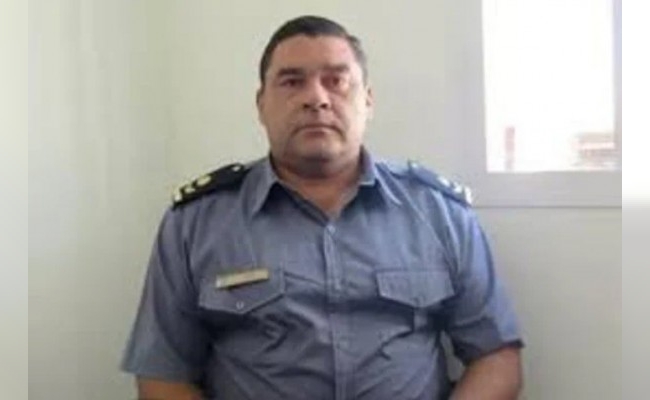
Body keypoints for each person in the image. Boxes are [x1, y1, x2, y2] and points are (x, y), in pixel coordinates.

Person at [121, 15, 523, 400]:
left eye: (337, 81)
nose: (316, 98)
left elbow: (497, 358)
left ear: (368, 101)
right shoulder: (196, 223)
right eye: (292, 82)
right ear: (261, 104)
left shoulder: (438, 213)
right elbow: (162, 375)